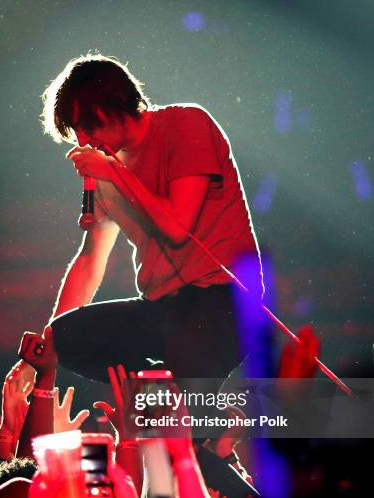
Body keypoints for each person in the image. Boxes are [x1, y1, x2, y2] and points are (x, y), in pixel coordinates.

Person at [32, 52, 263, 385]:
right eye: (76, 131)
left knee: (184, 384)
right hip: (161, 308)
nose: (84, 141)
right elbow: (89, 260)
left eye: (87, 125)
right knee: (68, 336)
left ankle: (194, 414)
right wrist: (48, 346)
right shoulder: (105, 172)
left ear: (115, 105)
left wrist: (115, 172)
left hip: (222, 301)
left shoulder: (186, 125)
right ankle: (162, 396)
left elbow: (178, 228)